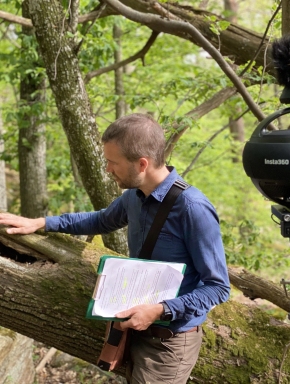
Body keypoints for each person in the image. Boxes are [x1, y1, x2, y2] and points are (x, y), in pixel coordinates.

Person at [0, 113, 230, 384]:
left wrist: (159, 310)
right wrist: (41, 222)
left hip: (167, 345)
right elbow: (100, 220)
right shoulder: (134, 196)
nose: (108, 169)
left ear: (142, 164)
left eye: (113, 162)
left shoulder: (193, 209)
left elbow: (218, 287)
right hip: (131, 329)